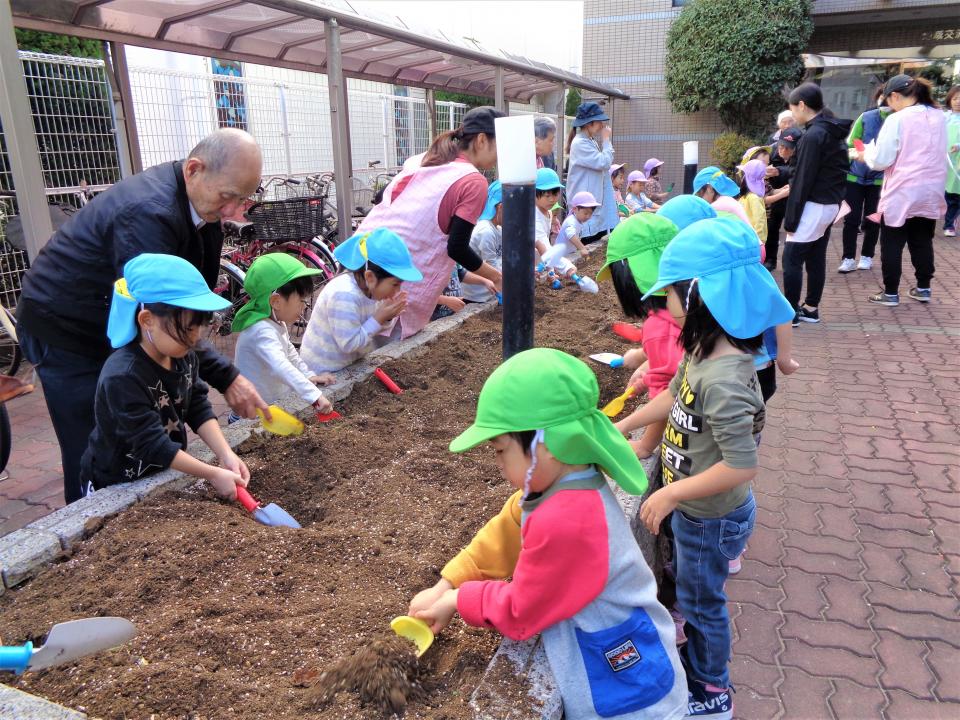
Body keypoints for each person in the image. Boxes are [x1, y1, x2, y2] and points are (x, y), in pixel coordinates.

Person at [409, 348, 688, 720]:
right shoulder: (560, 483)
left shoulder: (567, 517)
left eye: (500, 450)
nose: (497, 464)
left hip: (628, 693)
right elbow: (507, 529)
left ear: (547, 442)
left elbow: (522, 611)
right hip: (619, 669)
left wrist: (459, 601)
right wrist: (446, 585)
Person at [16, 128, 269, 504]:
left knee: (146, 398)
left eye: (244, 200)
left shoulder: (204, 211)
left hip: (118, 316)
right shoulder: (147, 214)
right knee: (93, 436)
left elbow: (186, 317)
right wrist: (227, 377)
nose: (233, 212)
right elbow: (172, 319)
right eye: (228, 197)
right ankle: (86, 519)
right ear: (194, 170)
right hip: (65, 327)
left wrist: (220, 399)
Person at [615, 216, 795, 718]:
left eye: (670, 294)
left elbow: (742, 466)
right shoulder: (702, 350)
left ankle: (711, 691)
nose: (664, 305)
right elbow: (672, 397)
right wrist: (624, 425)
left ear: (697, 298)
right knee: (695, 591)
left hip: (709, 514)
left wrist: (671, 493)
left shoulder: (726, 378)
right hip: (698, 508)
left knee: (703, 606)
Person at [80, 254, 249, 500]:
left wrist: (226, 455)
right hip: (115, 482)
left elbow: (197, 405)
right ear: (147, 320)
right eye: (187, 329)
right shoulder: (123, 376)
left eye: (199, 328)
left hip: (160, 467)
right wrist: (212, 473)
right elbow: (151, 444)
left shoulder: (183, 352)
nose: (195, 338)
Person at [356, 107, 504, 339]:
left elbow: (382, 196)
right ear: (482, 140)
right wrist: (497, 277)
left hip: (359, 260)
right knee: (378, 355)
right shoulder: (473, 181)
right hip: (393, 279)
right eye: (501, 146)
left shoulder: (424, 159)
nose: (501, 156)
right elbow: (457, 248)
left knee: (345, 346)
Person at [597, 213, 683, 458]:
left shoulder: (659, 326)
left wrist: (645, 444)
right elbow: (681, 367)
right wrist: (647, 374)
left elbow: (670, 392)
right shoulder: (684, 307)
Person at [859, 75, 947, 306]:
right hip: (932, 189)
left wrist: (864, 154)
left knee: (892, 241)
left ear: (895, 96)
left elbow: (881, 160)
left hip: (903, 189)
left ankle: (890, 293)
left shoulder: (898, 119)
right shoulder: (940, 117)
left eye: (888, 101)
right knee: (922, 239)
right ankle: (923, 287)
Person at [301, 228, 422, 373]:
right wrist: (380, 317)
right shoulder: (344, 294)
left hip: (348, 366)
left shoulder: (371, 290)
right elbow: (350, 344)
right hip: (323, 373)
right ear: (370, 277)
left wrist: (387, 317)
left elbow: (370, 331)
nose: (396, 291)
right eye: (395, 284)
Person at [231, 254, 334, 421]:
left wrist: (308, 375)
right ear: (276, 302)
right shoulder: (261, 331)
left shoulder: (275, 321)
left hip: (270, 408)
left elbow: (289, 352)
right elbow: (281, 366)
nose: (303, 307)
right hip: (250, 416)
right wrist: (315, 397)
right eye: (301, 301)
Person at [783, 83, 851, 325]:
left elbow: (803, 179)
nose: (793, 114)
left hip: (812, 204)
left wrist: (791, 219)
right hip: (830, 203)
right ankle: (811, 308)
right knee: (815, 255)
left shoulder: (813, 135)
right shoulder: (831, 130)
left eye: (793, 109)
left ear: (802, 105)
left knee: (791, 259)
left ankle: (790, 314)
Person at [838, 88, 890, 273]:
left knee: (873, 219)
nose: (886, 100)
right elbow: (853, 141)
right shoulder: (866, 116)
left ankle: (867, 256)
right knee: (851, 219)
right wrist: (864, 151)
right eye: (883, 95)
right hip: (855, 175)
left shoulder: (900, 120)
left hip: (880, 179)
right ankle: (848, 257)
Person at [566, 102, 618, 242]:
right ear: (589, 123)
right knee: (585, 246)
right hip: (584, 207)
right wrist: (606, 140)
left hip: (590, 204)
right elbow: (604, 162)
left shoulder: (590, 141)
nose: (602, 125)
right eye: (599, 121)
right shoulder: (580, 143)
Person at [764, 126, 803, 270]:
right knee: (771, 229)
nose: (783, 150)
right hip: (775, 198)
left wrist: (779, 171)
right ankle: (770, 260)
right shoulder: (771, 153)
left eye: (788, 148)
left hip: (794, 199)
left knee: (792, 230)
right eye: (781, 146)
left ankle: (791, 260)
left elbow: (799, 172)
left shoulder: (802, 157)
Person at [462, 181, 503, 303]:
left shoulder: (498, 229)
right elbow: (492, 266)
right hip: (477, 296)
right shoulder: (486, 231)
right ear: (500, 207)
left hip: (490, 292)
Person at [737, 159, 769, 244]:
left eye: (743, 174)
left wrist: (758, 242)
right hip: (747, 240)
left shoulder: (753, 198)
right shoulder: (747, 196)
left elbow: (759, 221)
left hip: (753, 243)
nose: (741, 177)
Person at [944, 85, 960, 237]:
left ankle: (950, 225)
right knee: (943, 193)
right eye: (955, 98)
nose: (958, 102)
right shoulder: (944, 117)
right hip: (943, 161)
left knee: (955, 195)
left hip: (958, 164)